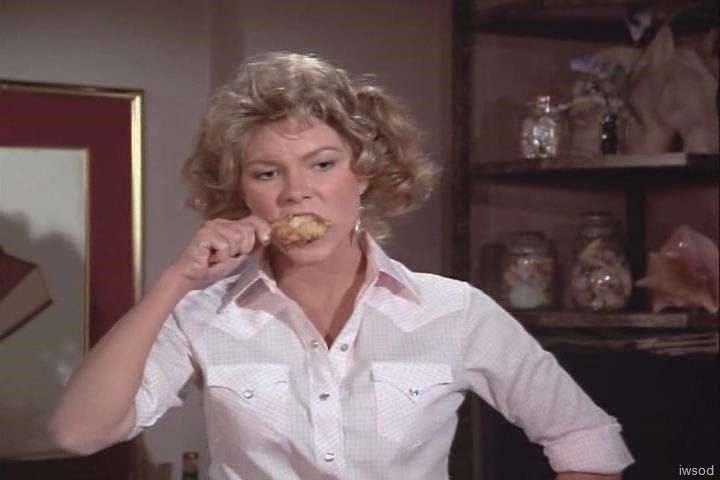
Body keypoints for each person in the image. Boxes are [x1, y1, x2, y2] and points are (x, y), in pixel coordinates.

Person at [49, 52, 634, 480]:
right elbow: (78, 433)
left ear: (365, 173)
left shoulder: (454, 312)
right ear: (242, 193)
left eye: (322, 164)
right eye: (267, 173)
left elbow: (586, 438)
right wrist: (175, 282)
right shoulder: (205, 315)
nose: (295, 193)